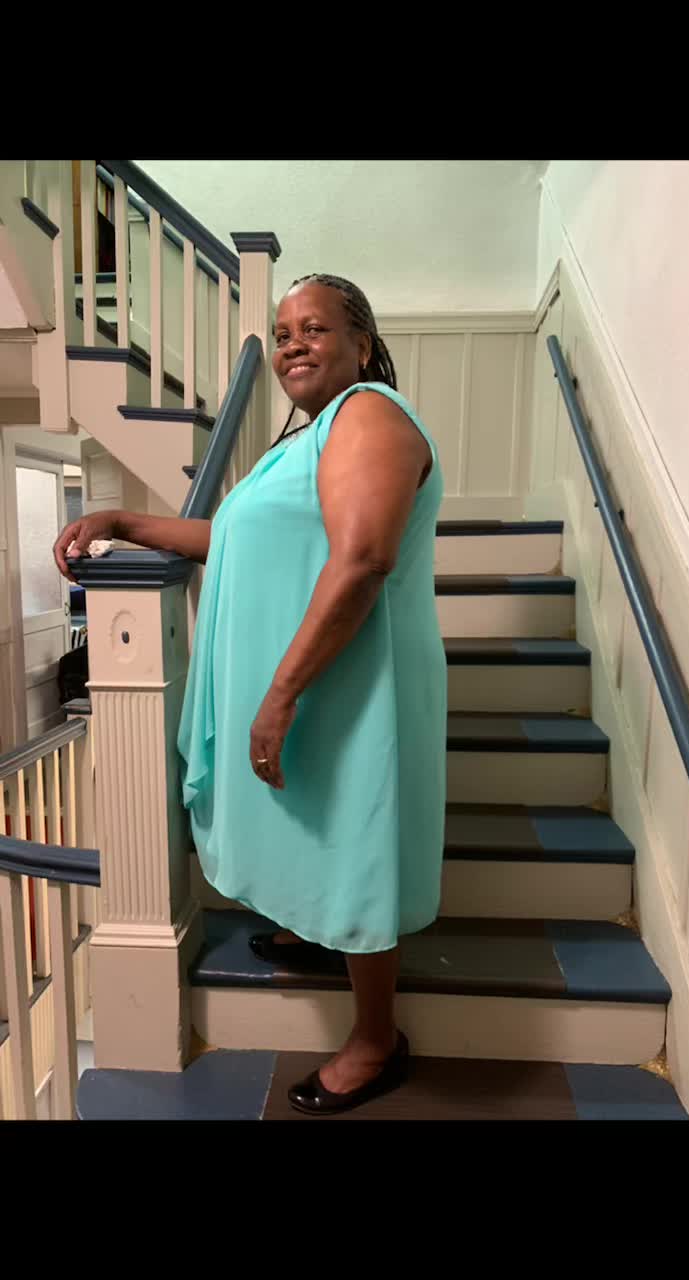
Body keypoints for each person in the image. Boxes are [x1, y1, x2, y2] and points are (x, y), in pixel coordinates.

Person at [54, 273, 447, 1115]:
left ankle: (376, 1038)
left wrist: (279, 695)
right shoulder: (311, 438)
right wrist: (122, 522)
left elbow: (362, 561)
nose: (293, 344)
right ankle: (325, 935)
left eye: (314, 328)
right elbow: (231, 536)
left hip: (352, 683)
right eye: (283, 332)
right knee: (322, 823)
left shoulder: (368, 414)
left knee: (357, 838)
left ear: (362, 345)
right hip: (323, 678)